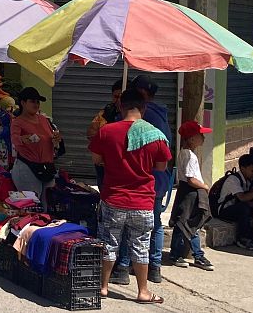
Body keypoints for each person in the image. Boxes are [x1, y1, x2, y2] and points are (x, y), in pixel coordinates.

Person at [89, 88, 172, 304]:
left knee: (109, 242)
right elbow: (162, 167)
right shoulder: (155, 134)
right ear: (144, 108)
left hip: (113, 198)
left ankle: (103, 287)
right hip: (143, 201)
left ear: (120, 106)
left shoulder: (106, 131)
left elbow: (96, 160)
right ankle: (143, 291)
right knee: (141, 245)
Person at [112, 74, 171, 284]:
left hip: (141, 181)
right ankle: (154, 269)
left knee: (131, 226)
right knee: (154, 225)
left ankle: (123, 267)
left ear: (142, 94)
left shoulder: (141, 118)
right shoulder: (162, 115)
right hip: (160, 180)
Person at [168, 121, 214, 271]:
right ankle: (177, 254)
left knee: (191, 225)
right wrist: (205, 186)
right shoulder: (188, 155)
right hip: (190, 192)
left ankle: (197, 254)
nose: (203, 137)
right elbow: (191, 179)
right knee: (184, 224)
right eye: (200, 135)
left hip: (190, 192)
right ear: (192, 138)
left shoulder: (186, 152)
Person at [10, 87, 61, 199]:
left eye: (38, 102)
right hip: (27, 167)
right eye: (32, 101)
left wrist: (56, 139)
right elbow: (14, 139)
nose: (36, 104)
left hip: (47, 167)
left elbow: (52, 138)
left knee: (49, 203)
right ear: (23, 103)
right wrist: (23, 139)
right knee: (31, 205)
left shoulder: (44, 119)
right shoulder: (18, 122)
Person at [218, 154, 253, 250]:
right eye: (252, 170)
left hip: (243, 207)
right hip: (226, 210)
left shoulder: (252, 180)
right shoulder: (233, 180)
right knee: (243, 208)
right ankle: (242, 239)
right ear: (243, 168)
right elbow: (242, 198)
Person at [87, 80, 124, 188]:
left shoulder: (133, 115)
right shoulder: (106, 112)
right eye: (115, 97)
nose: (118, 100)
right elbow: (90, 132)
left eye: (121, 97)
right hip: (103, 164)